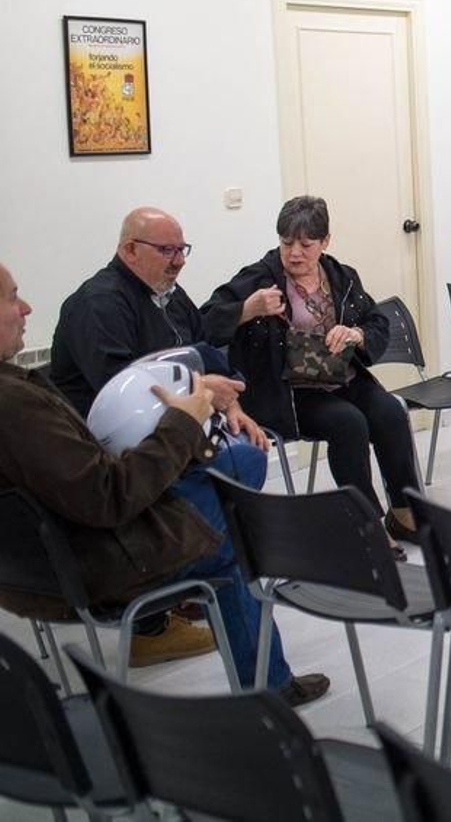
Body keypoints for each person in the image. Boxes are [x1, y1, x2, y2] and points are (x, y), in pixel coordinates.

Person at [0, 261, 329, 705]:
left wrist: (200, 401)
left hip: (33, 569)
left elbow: (193, 351)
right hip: (96, 561)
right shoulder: (18, 399)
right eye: (11, 298)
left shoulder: (16, 391)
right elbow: (109, 495)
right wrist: (185, 419)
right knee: (233, 534)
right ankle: (267, 689)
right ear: (133, 249)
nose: (26, 308)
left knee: (232, 472)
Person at [49, 205, 271, 663]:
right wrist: (204, 390)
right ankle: (165, 596)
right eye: (167, 250)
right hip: (123, 459)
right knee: (237, 495)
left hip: (167, 442)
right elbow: (126, 390)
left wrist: (233, 402)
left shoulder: (166, 294)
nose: (179, 260)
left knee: (248, 452)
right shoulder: (99, 304)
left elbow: (203, 349)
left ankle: (186, 570)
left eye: (182, 249)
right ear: (130, 250)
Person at [202, 196, 422, 555]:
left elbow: (376, 322)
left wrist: (356, 334)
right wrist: (247, 309)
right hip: (289, 392)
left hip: (341, 377)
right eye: (287, 242)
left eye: (306, 244)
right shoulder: (259, 278)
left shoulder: (341, 276)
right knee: (349, 424)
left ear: (325, 242)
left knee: (390, 412)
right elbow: (205, 321)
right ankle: (365, 524)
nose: (295, 253)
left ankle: (404, 512)